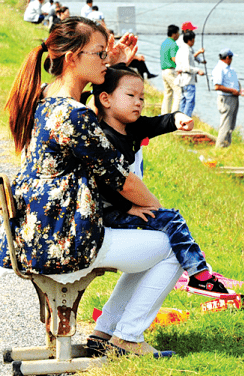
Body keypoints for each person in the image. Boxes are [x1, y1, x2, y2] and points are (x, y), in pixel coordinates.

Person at [2, 17, 179, 356]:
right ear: (72, 57)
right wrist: (163, 213)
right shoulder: (75, 115)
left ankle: (106, 332)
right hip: (65, 241)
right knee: (171, 245)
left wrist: (116, 63)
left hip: (36, 234)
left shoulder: (44, 98)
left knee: (156, 243)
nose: (105, 59)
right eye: (99, 54)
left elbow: (97, 96)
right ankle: (127, 338)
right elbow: (122, 180)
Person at [88, 64, 231, 298]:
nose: (139, 102)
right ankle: (200, 275)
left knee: (169, 222)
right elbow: (104, 185)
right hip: (107, 213)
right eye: (131, 96)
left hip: (119, 209)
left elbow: (159, 123)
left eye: (142, 97)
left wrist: (178, 118)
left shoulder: (131, 128)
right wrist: (131, 207)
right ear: (106, 99)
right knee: (171, 219)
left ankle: (198, 271)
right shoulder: (104, 137)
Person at [211, 48, 244, 148]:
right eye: (231, 58)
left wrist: (240, 89)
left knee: (231, 125)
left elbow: (234, 82)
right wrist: (232, 91)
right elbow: (217, 86)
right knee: (225, 125)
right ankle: (219, 147)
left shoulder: (229, 69)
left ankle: (226, 146)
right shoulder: (219, 69)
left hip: (233, 98)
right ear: (227, 58)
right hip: (226, 99)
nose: (232, 60)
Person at [174, 30, 205, 117]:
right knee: (190, 102)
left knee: (183, 101)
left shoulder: (181, 50)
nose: (194, 41)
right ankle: (186, 120)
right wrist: (198, 70)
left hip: (182, 80)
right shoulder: (187, 51)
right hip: (188, 81)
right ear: (190, 40)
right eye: (193, 39)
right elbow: (187, 67)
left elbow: (179, 64)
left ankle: (180, 120)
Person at [159, 24, 180, 114]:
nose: (179, 35)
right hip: (171, 70)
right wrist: (180, 67)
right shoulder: (173, 44)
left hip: (163, 71)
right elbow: (174, 58)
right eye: (178, 33)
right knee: (179, 92)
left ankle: (165, 113)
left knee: (168, 93)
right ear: (174, 34)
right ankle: (175, 114)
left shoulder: (164, 43)